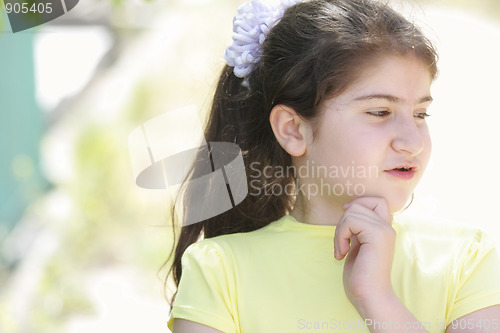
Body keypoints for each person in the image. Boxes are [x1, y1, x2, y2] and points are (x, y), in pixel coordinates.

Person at [166, 0, 500, 332]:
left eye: (420, 114)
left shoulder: (465, 261)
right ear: (293, 130)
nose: (412, 142)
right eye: (380, 112)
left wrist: (377, 300)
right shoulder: (219, 271)